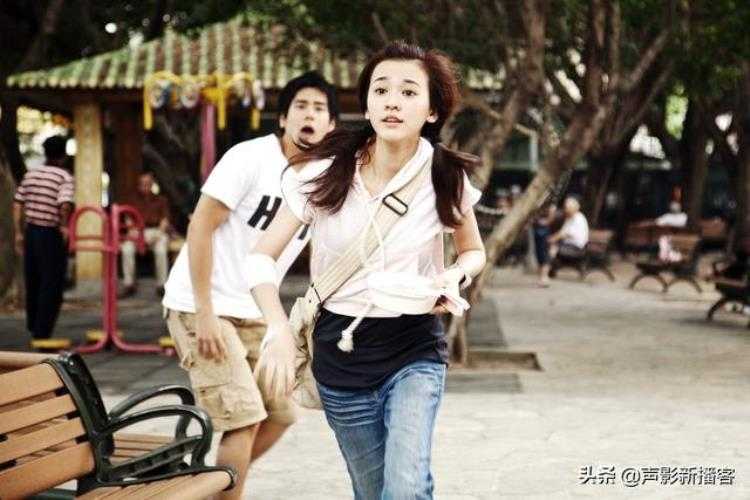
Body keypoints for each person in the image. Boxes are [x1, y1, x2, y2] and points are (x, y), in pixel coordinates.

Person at [248, 42, 487, 499]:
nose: (392, 102)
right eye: (381, 90)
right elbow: (261, 257)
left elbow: (473, 251)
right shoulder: (323, 172)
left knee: (404, 488)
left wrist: (455, 276)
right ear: (367, 103)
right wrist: (276, 327)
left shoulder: (444, 176)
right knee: (373, 490)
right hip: (340, 354)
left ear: (432, 110)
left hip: (413, 346)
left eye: (408, 92)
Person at [161, 71, 338, 500]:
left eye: (319, 109)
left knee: (281, 413)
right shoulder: (249, 158)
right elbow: (200, 226)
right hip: (201, 305)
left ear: (331, 125)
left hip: (255, 310)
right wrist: (204, 311)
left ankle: (211, 484)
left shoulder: (325, 178)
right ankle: (221, 487)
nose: (309, 115)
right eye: (301, 106)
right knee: (243, 421)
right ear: (284, 118)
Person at [12, 135, 74, 344]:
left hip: (31, 232)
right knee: (52, 281)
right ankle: (42, 330)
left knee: (33, 278)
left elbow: (17, 203)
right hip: (50, 233)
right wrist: (64, 226)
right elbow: (64, 204)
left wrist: (18, 232)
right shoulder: (63, 176)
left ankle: (33, 323)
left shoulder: (31, 174)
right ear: (63, 155)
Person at [120, 172, 171, 297]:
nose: (145, 186)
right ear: (138, 185)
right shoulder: (132, 200)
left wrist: (158, 234)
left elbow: (165, 221)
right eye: (142, 184)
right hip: (137, 231)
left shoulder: (161, 200)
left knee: (160, 250)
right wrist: (132, 230)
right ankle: (129, 284)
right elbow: (128, 218)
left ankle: (161, 285)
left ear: (152, 184)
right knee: (126, 249)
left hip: (156, 231)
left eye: (148, 184)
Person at [533, 202, 557, 287]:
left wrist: (545, 222)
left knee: (545, 256)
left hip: (547, 233)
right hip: (539, 232)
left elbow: (551, 218)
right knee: (540, 255)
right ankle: (541, 278)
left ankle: (544, 278)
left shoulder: (551, 206)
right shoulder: (539, 204)